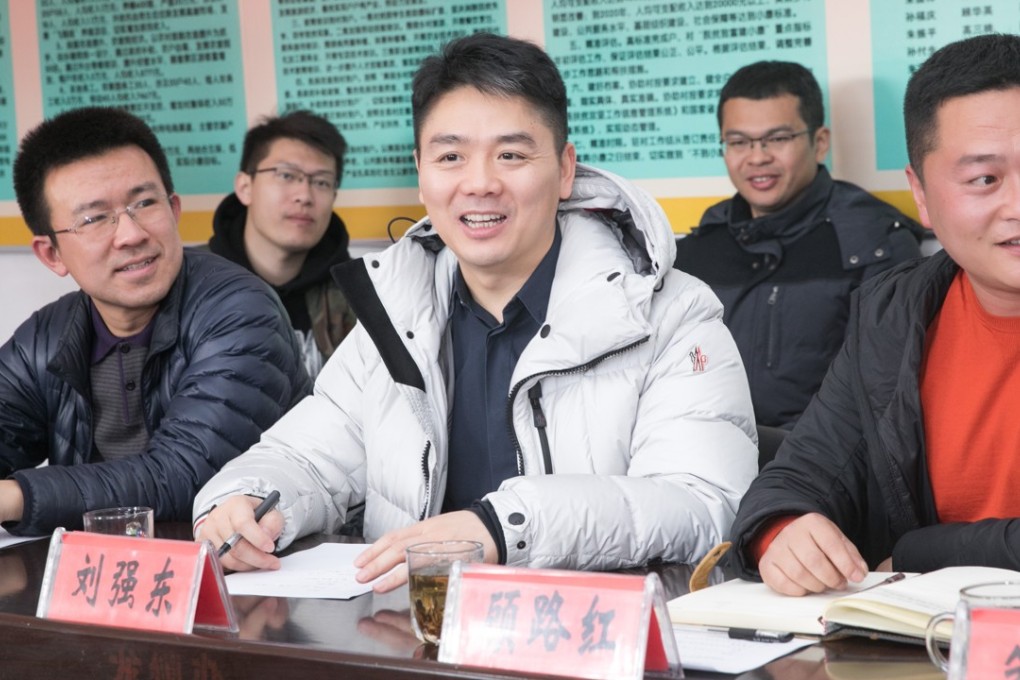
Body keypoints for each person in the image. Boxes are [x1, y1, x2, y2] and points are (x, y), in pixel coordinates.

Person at [194, 32, 758, 591]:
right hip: (414, 640)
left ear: (565, 170)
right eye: (451, 157)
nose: (481, 183)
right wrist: (240, 501)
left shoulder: (670, 316)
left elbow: (703, 505)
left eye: (511, 155)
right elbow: (305, 457)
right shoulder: (397, 314)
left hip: (591, 648)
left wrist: (501, 528)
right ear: (421, 172)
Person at [729, 33, 1020, 595]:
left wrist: (916, 553)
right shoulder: (895, 314)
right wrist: (782, 532)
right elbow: (799, 474)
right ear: (923, 196)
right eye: (985, 179)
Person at [0, 107, 310, 536]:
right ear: (51, 254)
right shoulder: (44, 339)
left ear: (174, 208)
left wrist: (15, 496)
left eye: (144, 203)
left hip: (251, 582)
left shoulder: (240, 311)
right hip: (105, 585)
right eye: (93, 219)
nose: (130, 233)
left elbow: (185, 477)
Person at [675, 61, 923, 428]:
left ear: (819, 142)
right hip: (700, 460)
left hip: (814, 473)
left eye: (777, 139)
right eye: (739, 142)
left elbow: (880, 397)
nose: (757, 157)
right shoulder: (699, 246)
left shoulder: (875, 242)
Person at [209, 110, 356, 377]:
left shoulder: (359, 293)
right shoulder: (195, 285)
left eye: (321, 182)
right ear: (245, 187)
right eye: (287, 175)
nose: (304, 196)